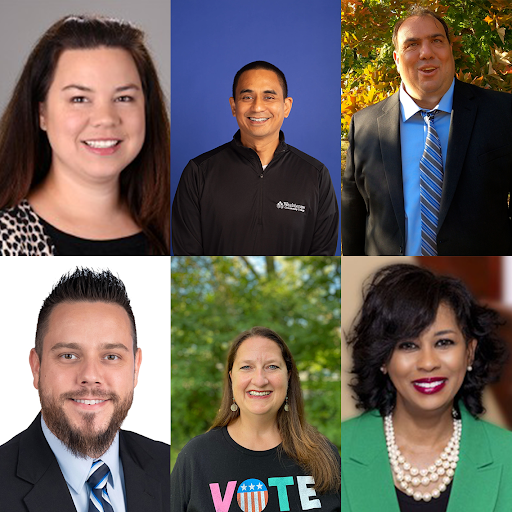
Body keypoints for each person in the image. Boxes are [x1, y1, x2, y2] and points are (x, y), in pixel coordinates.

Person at [341, 6, 512, 255]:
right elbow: (353, 221)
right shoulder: (364, 126)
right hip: (392, 283)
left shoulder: (502, 113)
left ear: (450, 50)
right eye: (412, 44)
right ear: (397, 60)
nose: (426, 53)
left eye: (436, 41)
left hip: (483, 283)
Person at [340, 264, 512, 511]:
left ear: (470, 353)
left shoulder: (507, 453)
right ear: (383, 359)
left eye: (444, 342)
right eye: (408, 345)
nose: (428, 363)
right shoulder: (338, 449)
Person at [0, 268, 170, 512]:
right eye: (68, 355)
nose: (90, 376)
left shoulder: (169, 466)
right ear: (36, 367)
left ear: (136, 368)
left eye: (111, 356)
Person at [0, 15, 170, 255]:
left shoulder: (177, 231)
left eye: (123, 98)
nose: (106, 118)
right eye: (79, 99)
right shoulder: (6, 240)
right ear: (41, 113)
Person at [172, 61, 339, 256]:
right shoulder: (198, 172)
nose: (258, 106)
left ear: (286, 106)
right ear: (234, 106)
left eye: (269, 97)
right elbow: (188, 258)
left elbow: (323, 257)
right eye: (247, 97)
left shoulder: (315, 175)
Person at [171, 326, 341, 511]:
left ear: (288, 376)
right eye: (246, 367)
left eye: (272, 366)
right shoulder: (195, 458)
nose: (259, 380)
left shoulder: (325, 456)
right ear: (231, 378)